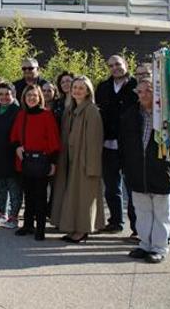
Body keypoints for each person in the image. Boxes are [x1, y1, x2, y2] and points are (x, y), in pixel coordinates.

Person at [120, 79, 170, 264]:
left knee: (161, 212)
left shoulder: (166, 116)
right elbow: (124, 143)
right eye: (140, 92)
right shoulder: (131, 114)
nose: (143, 95)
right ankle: (145, 244)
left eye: (148, 91)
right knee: (142, 210)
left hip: (160, 171)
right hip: (137, 171)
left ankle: (159, 247)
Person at [51, 76, 105, 243]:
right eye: (75, 87)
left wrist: (92, 167)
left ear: (88, 90)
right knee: (71, 196)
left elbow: (95, 142)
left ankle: (82, 230)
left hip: (84, 162)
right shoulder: (70, 110)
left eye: (81, 88)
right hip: (69, 160)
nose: (77, 90)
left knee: (84, 198)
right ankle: (72, 227)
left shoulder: (92, 111)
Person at [11, 85, 62, 241]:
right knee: (28, 195)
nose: (31, 98)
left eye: (34, 95)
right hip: (26, 160)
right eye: (28, 96)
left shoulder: (47, 115)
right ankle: (27, 225)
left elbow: (54, 140)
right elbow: (14, 136)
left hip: (42, 160)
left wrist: (53, 162)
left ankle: (40, 228)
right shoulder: (21, 115)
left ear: (39, 97)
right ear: (24, 98)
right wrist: (17, 147)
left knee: (40, 196)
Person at [95, 55, 138, 235]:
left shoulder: (136, 86)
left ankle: (137, 228)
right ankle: (115, 222)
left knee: (133, 190)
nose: (115, 68)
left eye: (118, 64)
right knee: (112, 188)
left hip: (130, 146)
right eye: (111, 65)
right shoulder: (103, 87)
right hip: (108, 145)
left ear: (126, 65)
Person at [0, 82, 21, 228]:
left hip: (12, 156)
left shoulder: (18, 112)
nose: (4, 97)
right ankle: (2, 214)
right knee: (1, 187)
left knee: (14, 189)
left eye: (7, 94)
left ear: (13, 94)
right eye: (1, 94)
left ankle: (13, 217)